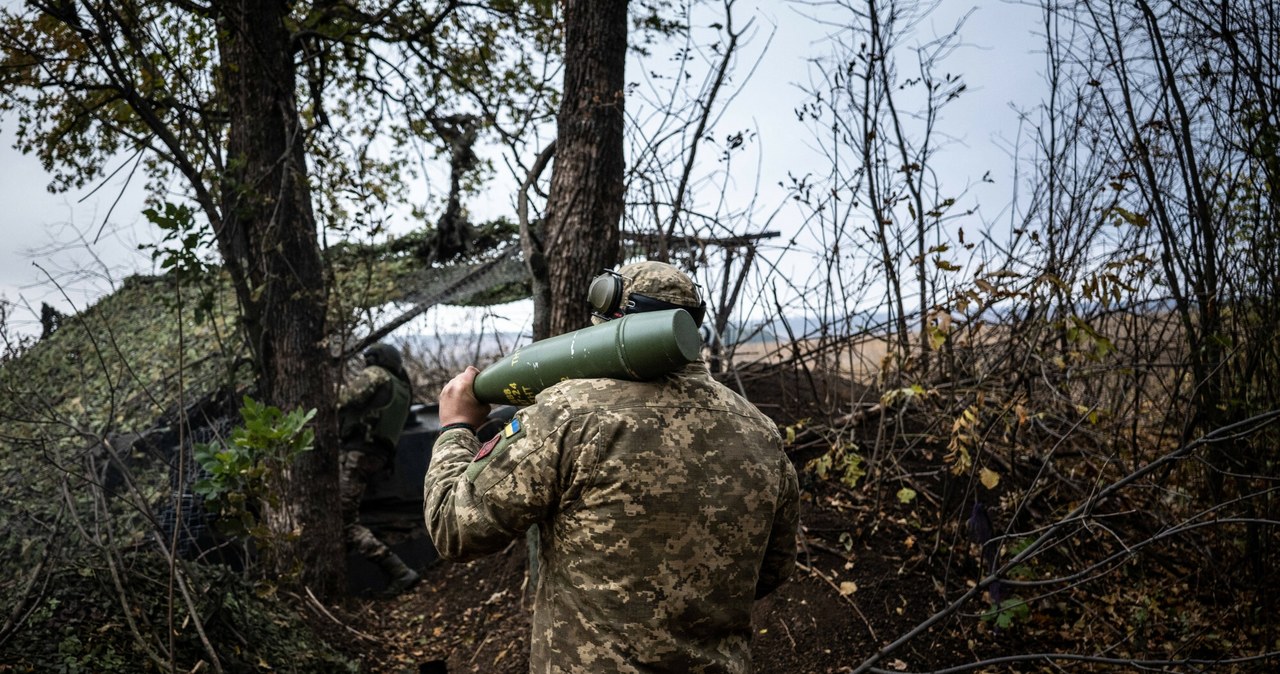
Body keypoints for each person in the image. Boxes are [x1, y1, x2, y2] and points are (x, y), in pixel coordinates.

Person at [424, 261, 800, 673]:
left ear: (610, 325)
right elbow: (771, 572)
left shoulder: (570, 414)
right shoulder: (760, 430)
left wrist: (456, 427)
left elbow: (453, 526)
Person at [338, 342, 420, 596]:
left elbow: (343, 399)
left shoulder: (377, 375)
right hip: (377, 456)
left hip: (357, 452)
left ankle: (399, 571)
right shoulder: (402, 388)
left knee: (344, 523)